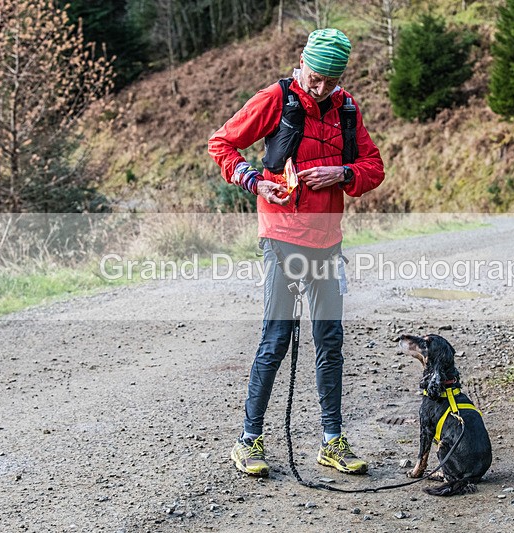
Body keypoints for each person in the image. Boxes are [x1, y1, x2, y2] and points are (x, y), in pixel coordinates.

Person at [208, 28, 385, 478]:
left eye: (330, 78)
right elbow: (222, 143)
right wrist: (253, 180)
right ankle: (248, 442)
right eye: (315, 75)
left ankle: (332, 442)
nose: (320, 86)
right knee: (276, 339)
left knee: (330, 342)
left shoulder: (346, 108)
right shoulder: (277, 98)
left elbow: (373, 168)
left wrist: (342, 173)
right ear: (301, 62)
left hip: (328, 241)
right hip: (282, 237)